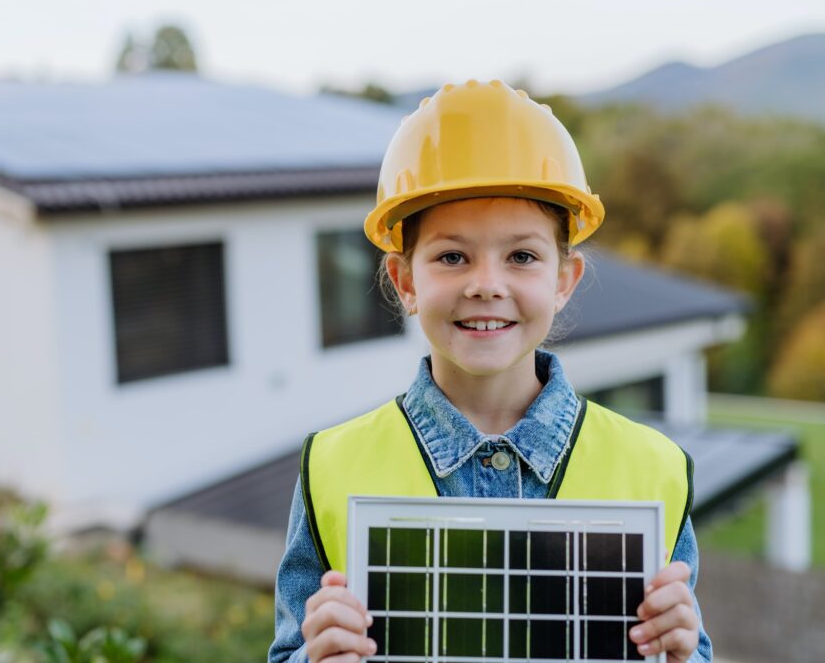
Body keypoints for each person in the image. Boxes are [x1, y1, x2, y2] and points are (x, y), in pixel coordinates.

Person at [269, 79, 713, 663]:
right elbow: (288, 653)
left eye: (522, 256)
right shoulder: (328, 468)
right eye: (452, 256)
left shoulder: (655, 470)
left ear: (562, 280)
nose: (486, 284)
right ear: (405, 281)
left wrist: (681, 655)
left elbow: (680, 649)